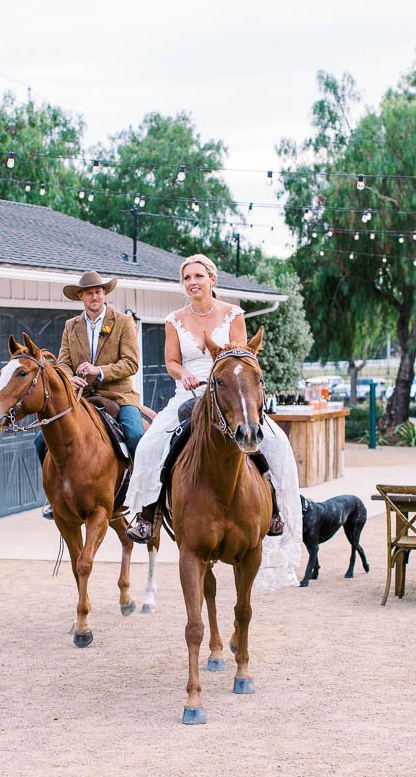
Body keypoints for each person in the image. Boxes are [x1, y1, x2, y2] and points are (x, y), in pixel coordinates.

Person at [125, 253, 302, 590]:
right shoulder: (174, 319)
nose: (193, 282)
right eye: (187, 278)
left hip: (231, 392)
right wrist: (186, 375)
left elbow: (241, 356)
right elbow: (171, 362)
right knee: (150, 444)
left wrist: (227, 383)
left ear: (212, 280)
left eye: (198, 276)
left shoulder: (234, 314)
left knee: (277, 442)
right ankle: (148, 515)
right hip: (190, 395)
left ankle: (276, 510)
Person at [35, 270, 144, 518]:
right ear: (81, 297)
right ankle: (54, 496)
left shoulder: (124, 322)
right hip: (80, 398)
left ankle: (139, 496)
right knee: (41, 440)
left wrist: (100, 371)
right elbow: (62, 362)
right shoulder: (70, 326)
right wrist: (67, 377)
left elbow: (131, 363)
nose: (94, 297)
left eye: (98, 291)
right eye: (89, 293)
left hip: (118, 395)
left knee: (136, 435)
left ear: (104, 294)